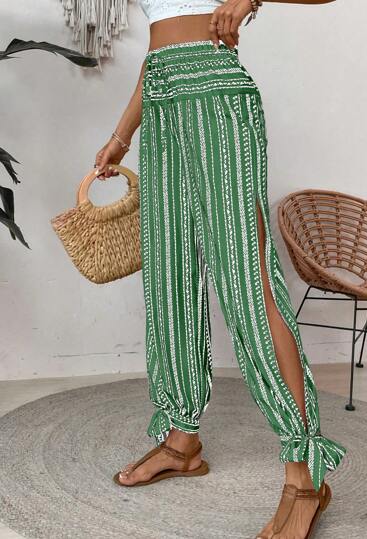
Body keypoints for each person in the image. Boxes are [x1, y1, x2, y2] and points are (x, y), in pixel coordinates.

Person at [94, 1, 346, 537]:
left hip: (216, 97)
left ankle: (305, 477)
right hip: (161, 104)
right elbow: (158, 49)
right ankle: (181, 440)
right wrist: (121, 136)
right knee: (169, 278)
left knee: (249, 285)